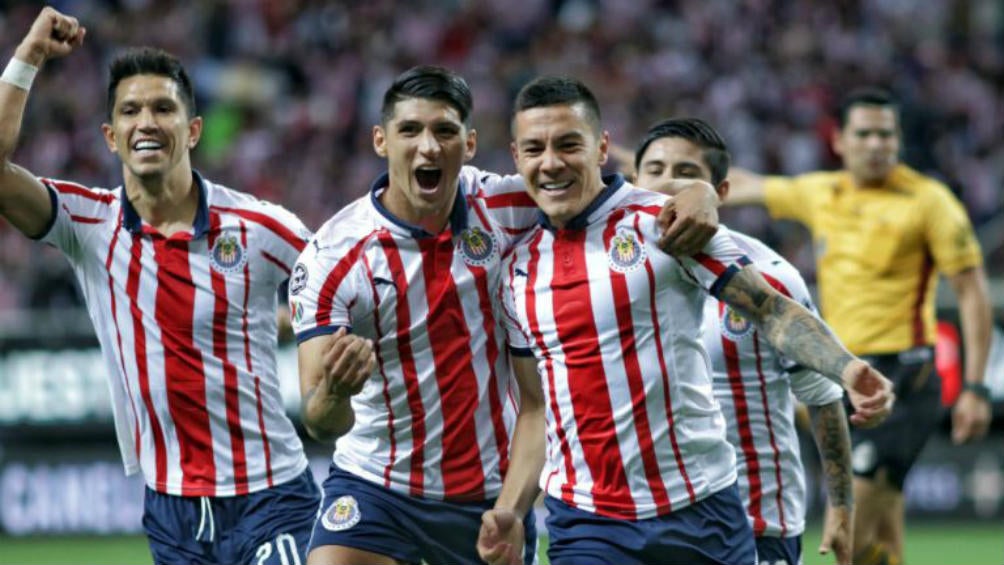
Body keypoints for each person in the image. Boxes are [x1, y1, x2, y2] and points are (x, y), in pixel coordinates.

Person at [288, 65, 721, 565]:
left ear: (468, 144)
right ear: (381, 141)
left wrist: (698, 193)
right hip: (376, 483)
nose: (428, 147)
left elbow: (608, 196)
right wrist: (337, 390)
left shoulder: (506, 205)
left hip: (490, 494)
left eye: (444, 131)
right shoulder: (334, 257)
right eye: (410, 130)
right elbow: (322, 422)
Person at [478, 76, 894, 565]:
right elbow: (535, 408)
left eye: (569, 144)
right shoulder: (516, 267)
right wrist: (510, 508)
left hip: (701, 507)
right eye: (534, 149)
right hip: (587, 519)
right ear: (516, 155)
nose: (551, 162)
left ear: (602, 147)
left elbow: (770, 309)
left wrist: (845, 368)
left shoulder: (666, 224)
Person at [0, 8, 323, 564]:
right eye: (130, 111)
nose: (146, 121)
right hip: (171, 507)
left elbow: (341, 290)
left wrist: (312, 332)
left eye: (163, 108)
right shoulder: (90, 226)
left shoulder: (262, 229)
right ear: (110, 136)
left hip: (271, 494)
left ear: (192, 129)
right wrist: (28, 56)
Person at [726, 87, 993, 565]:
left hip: (905, 377)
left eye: (886, 134)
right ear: (841, 142)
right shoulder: (820, 192)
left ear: (898, 141)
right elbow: (746, 185)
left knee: (851, 527)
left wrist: (974, 386)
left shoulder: (929, 201)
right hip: (843, 371)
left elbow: (973, 296)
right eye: (865, 134)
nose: (876, 144)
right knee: (881, 542)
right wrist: (662, 176)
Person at [633, 117, 856, 565]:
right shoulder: (604, 276)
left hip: (756, 518)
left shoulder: (771, 279)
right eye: (654, 170)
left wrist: (842, 505)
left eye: (687, 173)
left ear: (722, 193)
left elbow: (822, 396)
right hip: (643, 515)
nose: (667, 183)